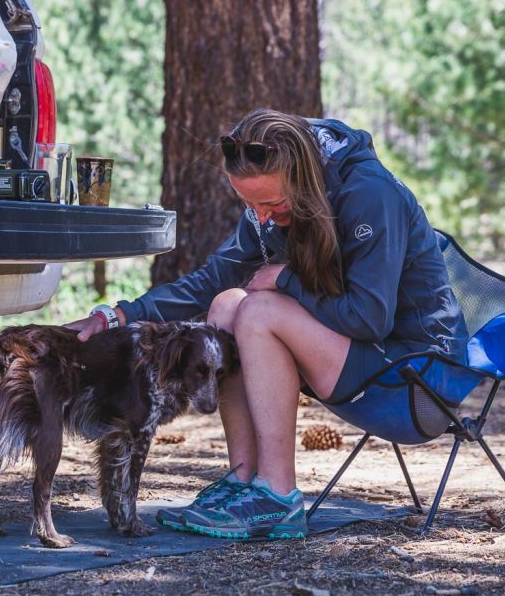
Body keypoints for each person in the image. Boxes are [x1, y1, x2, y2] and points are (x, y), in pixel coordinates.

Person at [66, 109, 468, 539]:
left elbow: (370, 317)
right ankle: (245, 480)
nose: (261, 216)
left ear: (303, 176)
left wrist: (285, 279)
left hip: (416, 380)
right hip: (362, 360)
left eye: (271, 204)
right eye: (249, 204)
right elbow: (215, 277)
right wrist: (119, 314)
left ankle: (277, 497)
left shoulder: (369, 194)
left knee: (259, 311)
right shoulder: (275, 202)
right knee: (226, 307)